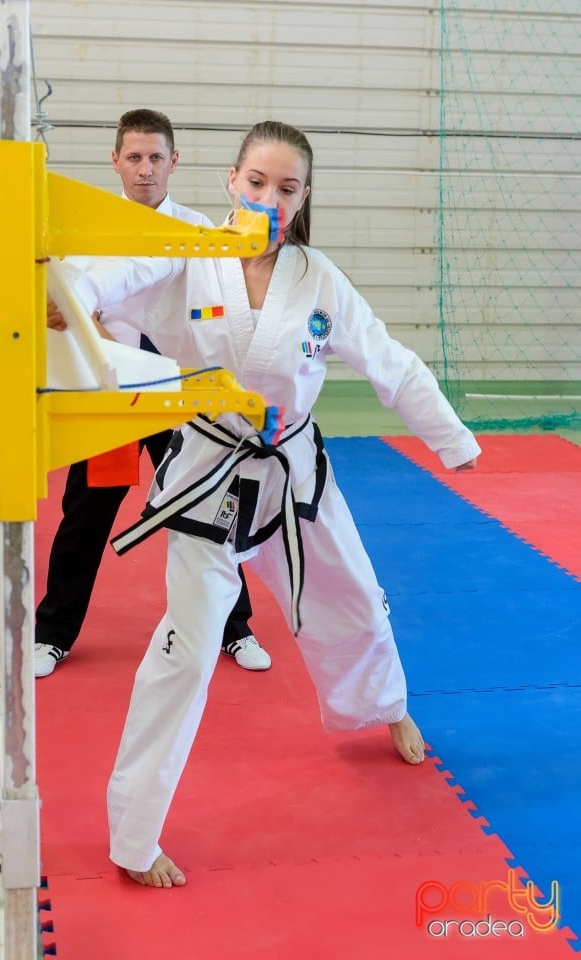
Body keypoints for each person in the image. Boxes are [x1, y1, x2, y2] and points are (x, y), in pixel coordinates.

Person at [61, 120, 481, 888]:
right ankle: (134, 834)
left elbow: (388, 358)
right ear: (230, 181)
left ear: (304, 197)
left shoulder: (317, 277)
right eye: (256, 182)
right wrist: (69, 300)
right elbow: (106, 274)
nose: (269, 198)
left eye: (287, 187)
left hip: (294, 475)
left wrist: (454, 441)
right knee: (187, 653)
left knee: (354, 598)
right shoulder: (184, 251)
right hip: (206, 478)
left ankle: (385, 705)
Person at [35, 109, 271, 678]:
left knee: (209, 509)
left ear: (174, 162)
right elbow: (54, 310)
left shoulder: (196, 231)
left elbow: (224, 306)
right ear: (115, 161)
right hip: (112, 396)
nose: (145, 169)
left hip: (178, 393)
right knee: (84, 517)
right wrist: (62, 312)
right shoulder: (83, 232)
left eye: (155, 157)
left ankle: (234, 628)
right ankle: (52, 634)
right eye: (134, 157)